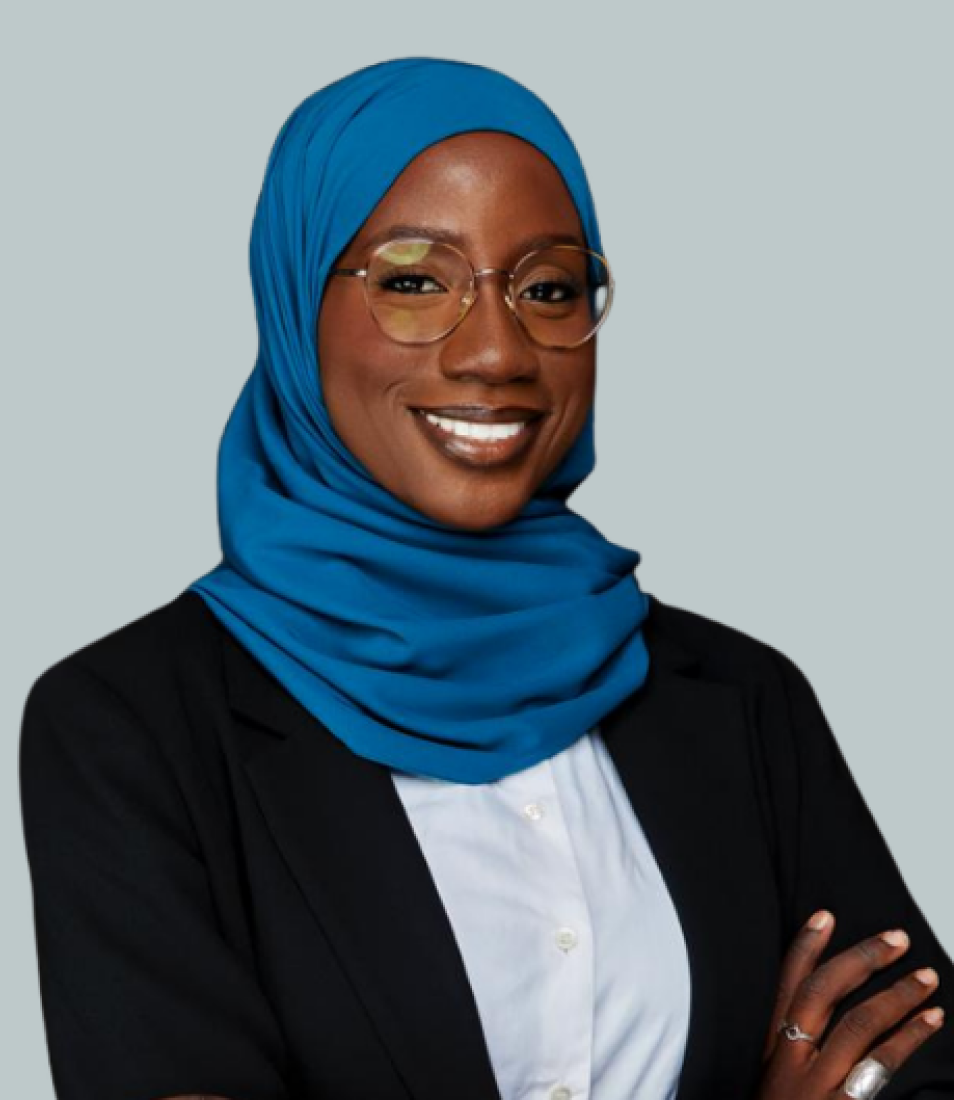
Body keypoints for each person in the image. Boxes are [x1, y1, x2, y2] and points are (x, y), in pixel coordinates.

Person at [17, 56, 954, 1100]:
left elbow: (923, 1064)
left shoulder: (738, 697)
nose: (499, 351)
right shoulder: (130, 725)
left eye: (549, 287)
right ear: (292, 304)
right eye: (415, 281)